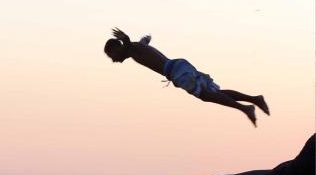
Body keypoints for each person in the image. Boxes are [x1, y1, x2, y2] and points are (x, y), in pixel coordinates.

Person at [104, 28, 269, 126]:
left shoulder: (131, 49)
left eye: (111, 55)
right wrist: (145, 39)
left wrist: (124, 37)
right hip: (179, 66)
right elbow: (143, 44)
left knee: (206, 96)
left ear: (117, 49)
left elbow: (128, 42)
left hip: (177, 71)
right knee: (212, 92)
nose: (113, 60)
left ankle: (246, 108)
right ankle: (255, 99)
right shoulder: (137, 48)